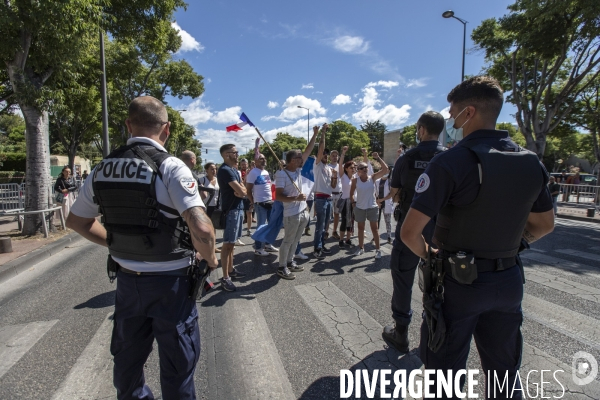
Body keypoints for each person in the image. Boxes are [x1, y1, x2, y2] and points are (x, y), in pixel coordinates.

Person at [400, 76, 554, 397]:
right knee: (504, 375)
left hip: (459, 284)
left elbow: (410, 232)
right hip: (509, 280)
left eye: (452, 112)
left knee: (445, 379)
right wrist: (514, 246)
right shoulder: (530, 162)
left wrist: (432, 257)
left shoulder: (451, 162)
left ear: (468, 112)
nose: (449, 121)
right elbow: (544, 226)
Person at [66, 96, 218, 400]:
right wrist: (211, 258)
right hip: (171, 286)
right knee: (178, 368)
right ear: (167, 129)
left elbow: (77, 221)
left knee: (128, 364)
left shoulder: (101, 168)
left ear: (127, 125)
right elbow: (202, 227)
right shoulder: (171, 167)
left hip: (126, 283)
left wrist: (116, 242)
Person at [380, 111, 447, 353]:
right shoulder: (451, 157)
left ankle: (400, 333)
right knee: (440, 281)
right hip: (442, 228)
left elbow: (396, 194)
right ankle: (433, 334)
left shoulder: (406, 158)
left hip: (410, 226)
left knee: (403, 278)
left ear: (420, 130)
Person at [276, 126, 319, 278]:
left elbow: (308, 150)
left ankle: (289, 262)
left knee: (296, 239)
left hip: (302, 211)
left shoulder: (298, 170)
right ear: (292, 160)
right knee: (288, 240)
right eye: (300, 158)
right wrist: (296, 198)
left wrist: (315, 135)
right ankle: (281, 267)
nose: (303, 159)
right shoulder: (281, 174)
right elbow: (278, 196)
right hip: (291, 213)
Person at [217, 144, 248, 292]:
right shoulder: (224, 170)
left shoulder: (234, 170)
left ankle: (231, 269)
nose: (237, 154)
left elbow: (244, 190)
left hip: (238, 209)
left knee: (232, 244)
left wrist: (241, 191)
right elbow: (241, 191)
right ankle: (225, 278)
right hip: (231, 211)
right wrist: (241, 191)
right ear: (226, 154)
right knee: (227, 244)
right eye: (235, 152)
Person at [350, 153, 388, 258]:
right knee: (360, 228)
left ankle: (378, 250)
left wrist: (379, 158)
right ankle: (361, 248)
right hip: (360, 207)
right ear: (358, 170)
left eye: (366, 167)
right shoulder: (355, 180)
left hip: (372, 207)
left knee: (374, 229)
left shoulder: (372, 177)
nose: (365, 169)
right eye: (362, 168)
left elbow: (385, 170)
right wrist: (353, 204)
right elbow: (351, 193)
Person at [312, 124, 337, 258]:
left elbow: (333, 186)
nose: (326, 155)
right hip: (320, 198)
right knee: (320, 225)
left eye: (327, 154)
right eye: (324, 154)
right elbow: (321, 148)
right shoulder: (317, 165)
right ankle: (317, 248)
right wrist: (323, 133)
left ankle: (321, 244)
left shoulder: (328, 168)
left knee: (326, 225)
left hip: (329, 198)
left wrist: (334, 177)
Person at [246, 152, 278, 256]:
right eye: (261, 158)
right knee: (261, 226)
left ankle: (268, 245)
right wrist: (253, 202)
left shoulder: (266, 172)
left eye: (264, 158)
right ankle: (258, 248)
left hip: (269, 202)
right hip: (260, 204)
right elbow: (248, 190)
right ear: (255, 161)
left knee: (270, 225)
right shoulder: (253, 172)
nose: (264, 160)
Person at [337, 153, 356, 248]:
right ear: (346, 168)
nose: (353, 169)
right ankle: (341, 240)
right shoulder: (343, 176)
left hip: (353, 202)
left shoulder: (355, 178)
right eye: (351, 167)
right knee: (344, 220)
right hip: (345, 202)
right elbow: (340, 164)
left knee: (351, 221)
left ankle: (348, 239)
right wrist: (343, 153)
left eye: (354, 167)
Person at [327, 149, 342, 240]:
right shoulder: (327, 167)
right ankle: (326, 231)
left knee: (337, 214)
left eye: (336, 155)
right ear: (330, 157)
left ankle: (334, 231)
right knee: (328, 214)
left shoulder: (341, 167)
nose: (335, 157)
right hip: (330, 193)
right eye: (333, 155)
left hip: (339, 193)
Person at [376, 170, 393, 244]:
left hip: (386, 203)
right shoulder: (377, 181)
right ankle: (376, 236)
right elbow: (374, 192)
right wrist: (377, 201)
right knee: (377, 220)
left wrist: (382, 199)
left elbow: (391, 194)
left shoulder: (390, 182)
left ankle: (389, 236)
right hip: (378, 203)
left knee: (388, 221)